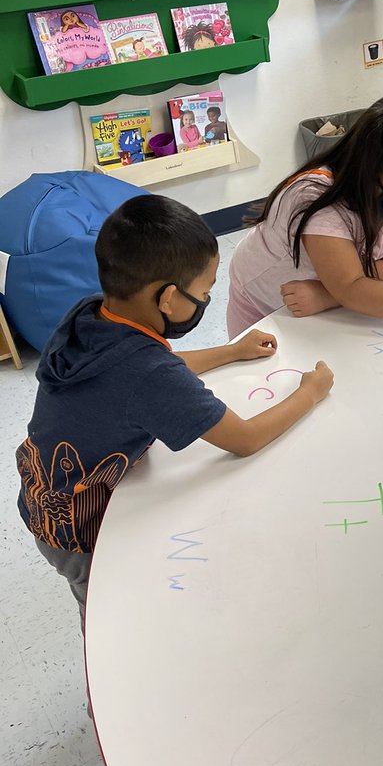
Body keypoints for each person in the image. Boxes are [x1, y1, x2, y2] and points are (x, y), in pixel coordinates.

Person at [15, 194, 333, 634]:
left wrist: (230, 351)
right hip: (80, 533)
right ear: (167, 298)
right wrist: (310, 394)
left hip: (41, 491)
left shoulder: (90, 313)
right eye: (203, 293)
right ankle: (105, 698)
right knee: (109, 625)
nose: (205, 301)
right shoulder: (147, 374)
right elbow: (244, 439)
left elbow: (152, 369)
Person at [227, 96, 383, 337]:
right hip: (264, 300)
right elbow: (352, 288)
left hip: (319, 301)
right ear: (368, 170)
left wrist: (328, 295)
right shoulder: (317, 200)